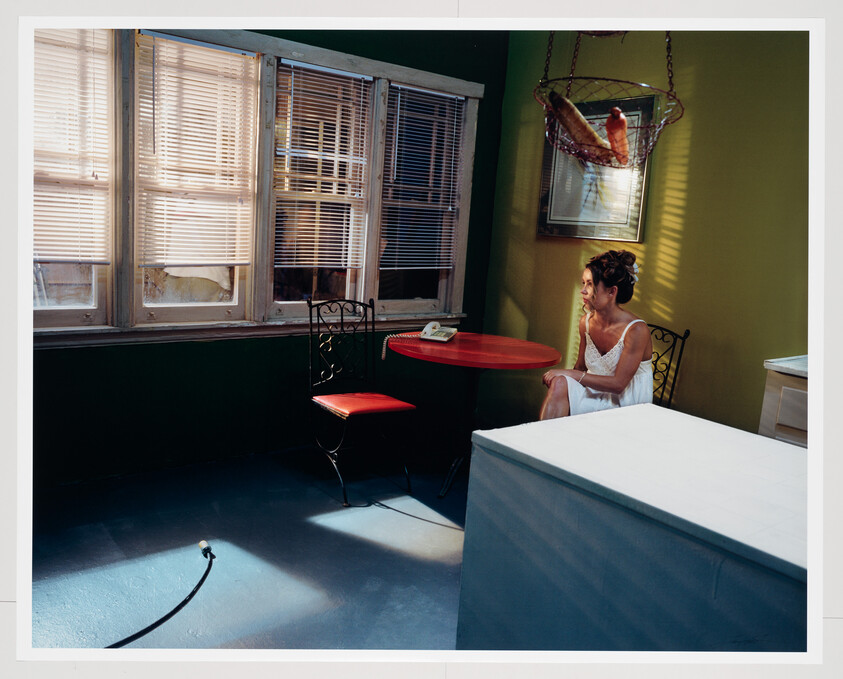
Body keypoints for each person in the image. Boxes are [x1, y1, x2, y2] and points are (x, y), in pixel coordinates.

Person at [539, 250, 653, 420]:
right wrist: (562, 377)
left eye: (590, 284)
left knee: (564, 377)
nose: (582, 291)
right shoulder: (586, 322)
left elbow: (618, 385)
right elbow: (580, 368)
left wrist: (572, 374)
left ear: (611, 292)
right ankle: (541, 441)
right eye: (583, 283)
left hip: (625, 403)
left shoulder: (636, 330)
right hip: (594, 394)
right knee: (559, 383)